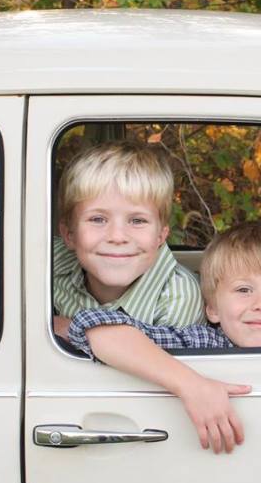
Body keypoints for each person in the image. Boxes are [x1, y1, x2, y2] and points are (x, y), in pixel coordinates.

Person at [68, 221, 261, 454]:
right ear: (213, 308)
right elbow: (94, 325)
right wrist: (191, 384)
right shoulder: (200, 344)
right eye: (244, 290)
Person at [53, 141, 204, 339]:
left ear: (161, 235)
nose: (117, 237)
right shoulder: (51, 262)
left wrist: (69, 328)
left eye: (137, 220)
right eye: (98, 219)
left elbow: (152, 365)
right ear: (69, 234)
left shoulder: (177, 297)